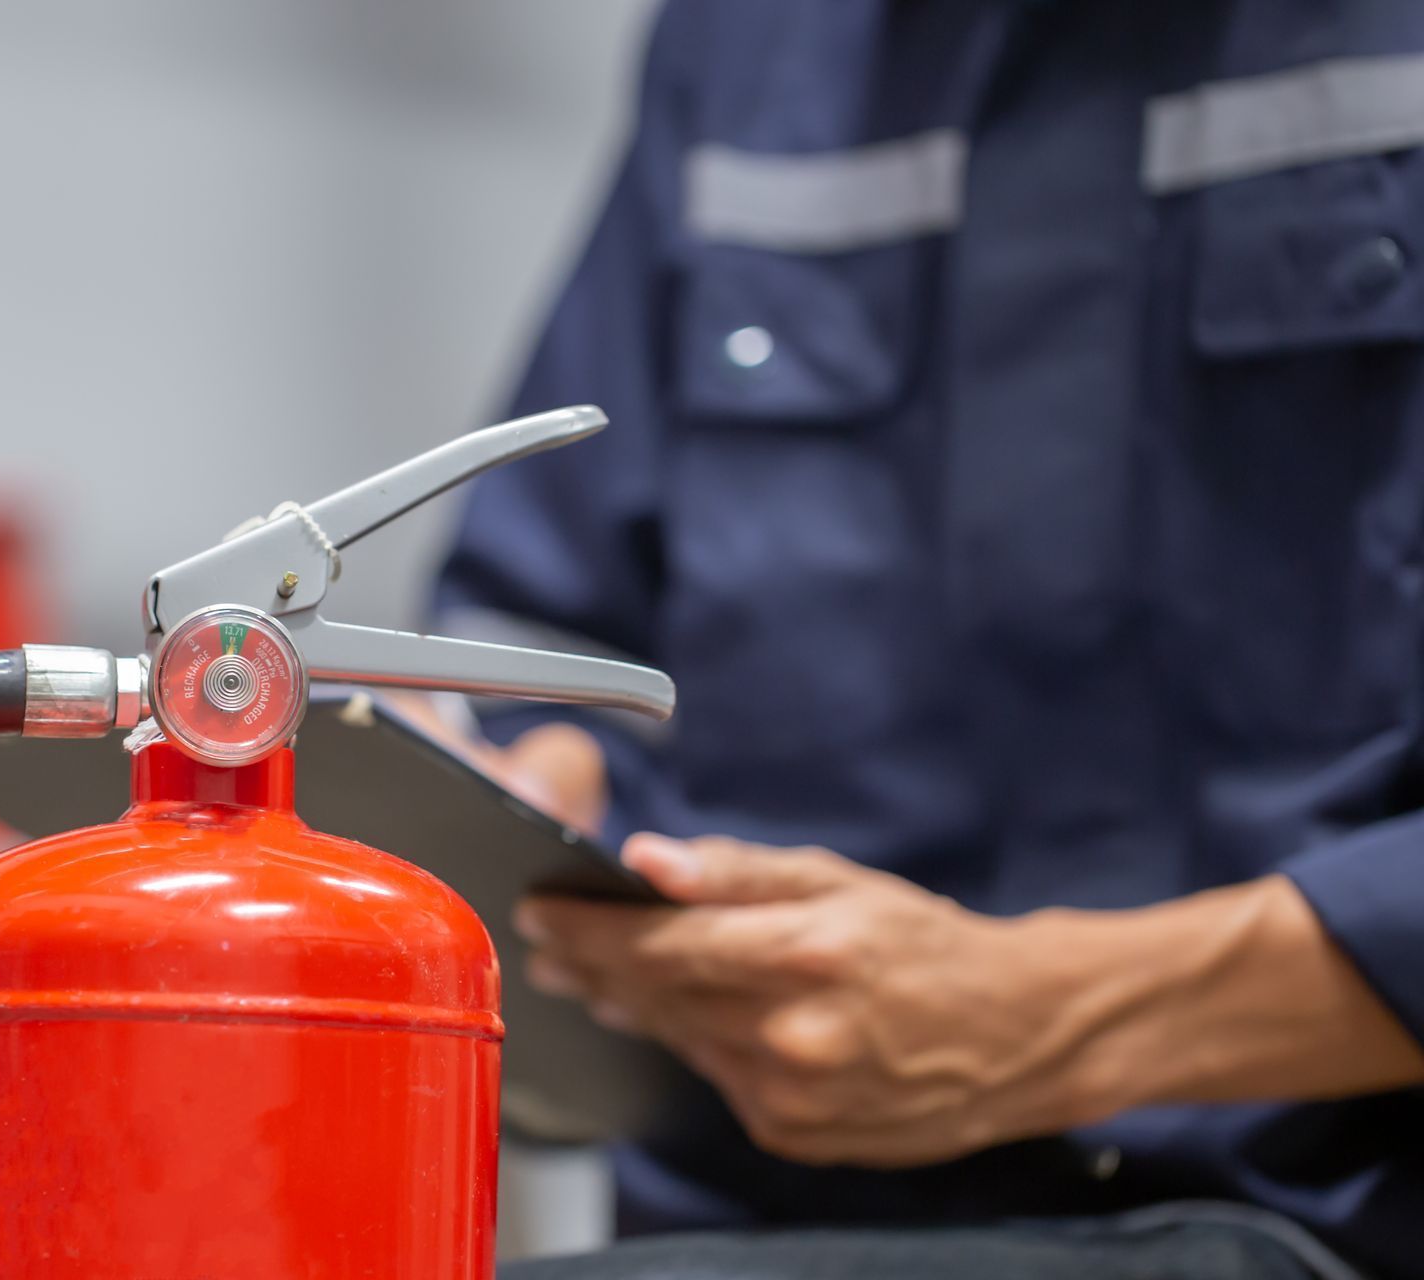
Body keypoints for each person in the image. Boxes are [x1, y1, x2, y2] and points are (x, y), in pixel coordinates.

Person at [434, 4, 1424, 1277]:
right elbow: (540, 627)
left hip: (1333, 1222)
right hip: (754, 1219)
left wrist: (1073, 1018)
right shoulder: (745, 50)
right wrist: (535, 783)